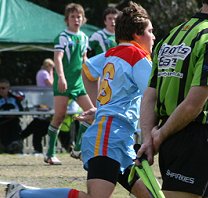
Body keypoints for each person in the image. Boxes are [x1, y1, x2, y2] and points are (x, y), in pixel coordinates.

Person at [6, 1, 155, 198]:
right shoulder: (138, 57)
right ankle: (23, 195)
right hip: (110, 137)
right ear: (137, 34)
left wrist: (101, 107)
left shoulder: (113, 52)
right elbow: (152, 96)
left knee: (153, 196)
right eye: (150, 31)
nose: (154, 36)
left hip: (119, 138)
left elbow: (87, 71)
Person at [137, 1, 208, 198]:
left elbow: (150, 95)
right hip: (195, 140)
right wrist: (158, 136)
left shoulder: (172, 36)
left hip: (172, 138)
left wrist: (150, 136)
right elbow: (193, 104)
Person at [44, 3, 94, 165]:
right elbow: (57, 58)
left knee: (92, 114)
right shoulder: (62, 36)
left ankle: (78, 148)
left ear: (83, 19)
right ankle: (50, 154)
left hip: (79, 84)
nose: (76, 19)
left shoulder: (84, 37)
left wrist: (92, 74)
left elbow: (84, 59)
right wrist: (61, 77)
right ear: (67, 20)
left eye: (79, 16)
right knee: (59, 116)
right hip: (63, 82)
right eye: (72, 16)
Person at [0, 78, 24, 154]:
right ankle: (8, 147)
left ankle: (14, 145)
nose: (1, 90)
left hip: (13, 121)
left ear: (8, 89)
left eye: (3, 88)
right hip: (2, 122)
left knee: (15, 125)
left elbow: (21, 111)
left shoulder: (14, 98)